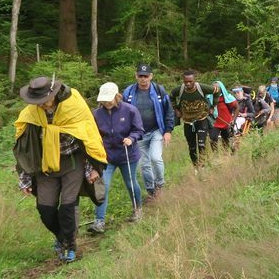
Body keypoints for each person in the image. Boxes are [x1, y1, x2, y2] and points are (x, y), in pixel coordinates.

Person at [14, 76, 107, 263]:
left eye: (43, 101)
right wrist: (24, 177)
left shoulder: (74, 105)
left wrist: (92, 168)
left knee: (67, 206)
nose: (40, 105)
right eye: (36, 102)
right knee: (45, 209)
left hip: (72, 162)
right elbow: (25, 148)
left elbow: (88, 136)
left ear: (53, 94)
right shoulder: (30, 114)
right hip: (46, 165)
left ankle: (70, 246)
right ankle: (62, 237)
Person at [89, 82, 144, 234]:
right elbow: (93, 135)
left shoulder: (130, 110)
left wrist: (131, 138)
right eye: (104, 99)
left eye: (110, 99)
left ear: (117, 96)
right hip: (106, 156)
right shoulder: (96, 114)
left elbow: (139, 130)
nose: (107, 102)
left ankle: (138, 210)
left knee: (131, 183)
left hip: (127, 153)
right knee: (103, 186)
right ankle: (99, 221)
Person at [123, 63, 175, 201]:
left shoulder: (159, 90)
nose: (143, 79)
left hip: (156, 130)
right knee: (144, 164)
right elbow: (122, 113)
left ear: (151, 76)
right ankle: (151, 191)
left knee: (156, 158)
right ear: (136, 76)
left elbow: (169, 111)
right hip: (137, 134)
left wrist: (168, 131)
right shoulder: (128, 92)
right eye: (140, 76)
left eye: (146, 76)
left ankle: (160, 185)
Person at [169, 71, 214, 169]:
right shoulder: (179, 90)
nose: (188, 84)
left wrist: (213, 106)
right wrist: (176, 109)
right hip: (188, 122)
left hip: (201, 119)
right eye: (186, 82)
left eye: (190, 81)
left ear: (195, 80)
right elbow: (171, 97)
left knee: (202, 143)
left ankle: (203, 166)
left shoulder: (202, 88)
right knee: (192, 146)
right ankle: (196, 167)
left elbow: (217, 91)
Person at [206, 81, 238, 151]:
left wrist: (233, 119)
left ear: (221, 89)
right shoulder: (208, 98)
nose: (215, 89)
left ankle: (226, 156)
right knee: (213, 138)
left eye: (217, 88)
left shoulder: (228, 98)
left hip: (226, 123)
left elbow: (236, 108)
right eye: (213, 88)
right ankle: (215, 155)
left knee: (226, 141)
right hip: (214, 123)